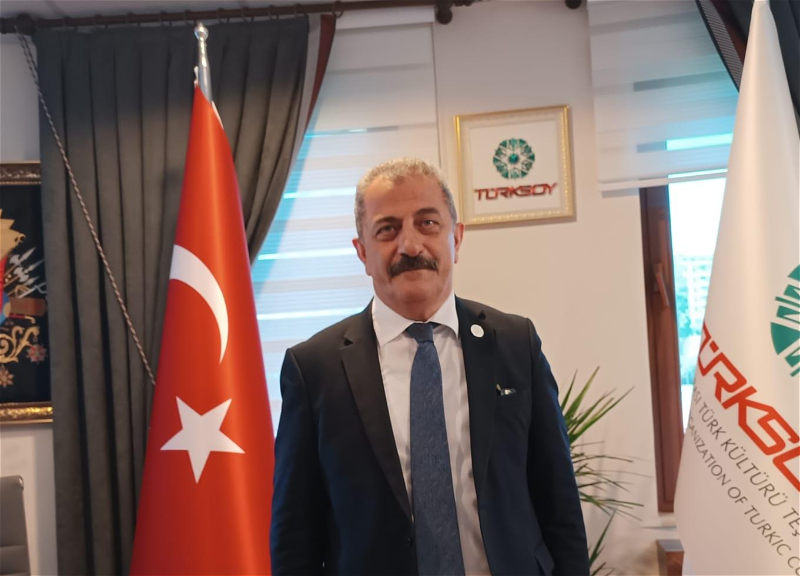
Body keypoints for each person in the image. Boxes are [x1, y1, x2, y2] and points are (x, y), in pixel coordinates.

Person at [270, 158, 589, 576]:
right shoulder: (314, 368)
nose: (410, 246)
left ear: (456, 238)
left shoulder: (515, 344)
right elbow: (295, 536)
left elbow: (558, 501)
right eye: (387, 229)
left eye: (428, 223)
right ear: (362, 252)